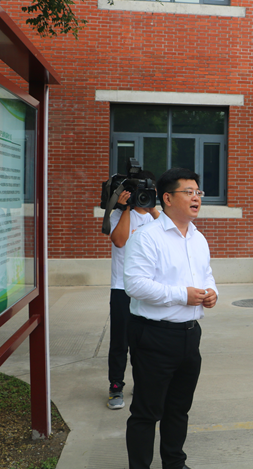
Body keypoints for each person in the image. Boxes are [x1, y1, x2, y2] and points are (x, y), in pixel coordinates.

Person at [123, 168, 218, 469]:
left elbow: (206, 276)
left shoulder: (198, 238)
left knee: (179, 409)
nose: (196, 198)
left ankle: (174, 463)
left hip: (190, 335)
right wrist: (182, 295)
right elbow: (134, 285)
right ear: (167, 198)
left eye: (198, 193)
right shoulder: (147, 236)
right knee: (146, 412)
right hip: (154, 336)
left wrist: (212, 292)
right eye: (188, 192)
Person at [106, 171, 160, 410]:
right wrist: (126, 207)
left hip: (148, 288)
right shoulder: (119, 214)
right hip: (122, 288)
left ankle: (143, 383)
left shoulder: (154, 218)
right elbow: (119, 241)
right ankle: (116, 386)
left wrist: (152, 207)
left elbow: (172, 232)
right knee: (120, 341)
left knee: (145, 342)